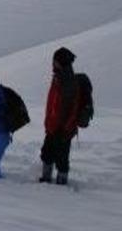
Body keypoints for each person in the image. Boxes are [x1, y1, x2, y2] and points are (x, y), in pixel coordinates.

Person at [40, 47, 80, 185]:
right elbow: (52, 104)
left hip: (63, 129)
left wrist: (65, 128)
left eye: (55, 60)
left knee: (62, 157)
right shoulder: (57, 77)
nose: (53, 63)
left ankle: (61, 183)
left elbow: (72, 109)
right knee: (47, 153)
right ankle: (46, 178)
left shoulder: (68, 81)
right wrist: (48, 123)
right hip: (52, 126)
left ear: (61, 62)